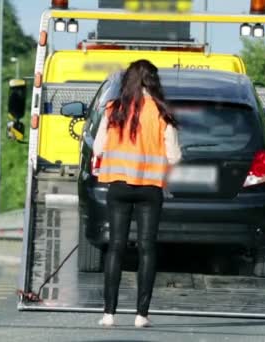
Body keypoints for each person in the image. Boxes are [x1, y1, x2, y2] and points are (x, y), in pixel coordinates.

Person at [93, 59, 182, 327]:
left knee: (116, 248)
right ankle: (141, 315)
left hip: (118, 187)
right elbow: (174, 156)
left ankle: (109, 314)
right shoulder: (162, 112)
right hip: (150, 189)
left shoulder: (113, 109)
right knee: (146, 248)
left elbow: (98, 148)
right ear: (152, 81)